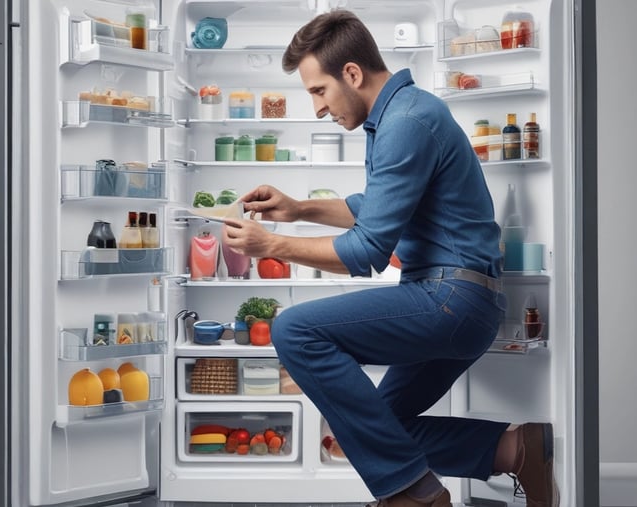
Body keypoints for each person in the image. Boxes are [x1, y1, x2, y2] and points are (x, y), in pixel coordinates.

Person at [222, 9, 558, 507]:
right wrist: (297, 210)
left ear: (352, 74)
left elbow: (367, 250)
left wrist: (270, 245)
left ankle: (411, 494)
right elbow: (370, 209)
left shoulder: (406, 121)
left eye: (319, 91)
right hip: (459, 299)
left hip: (452, 300)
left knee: (295, 329)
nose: (317, 108)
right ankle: (515, 448)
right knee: (378, 428)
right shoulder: (399, 115)